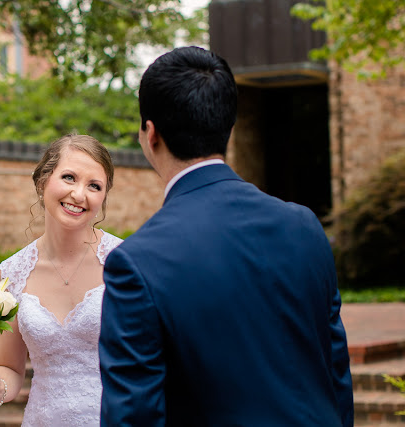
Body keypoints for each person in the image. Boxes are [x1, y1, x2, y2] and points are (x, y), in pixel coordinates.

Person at [98, 46, 354, 426]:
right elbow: (336, 376)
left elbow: (133, 417)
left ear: (150, 134)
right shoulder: (304, 227)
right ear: (229, 130)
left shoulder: (137, 263)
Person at [0, 134, 123, 426]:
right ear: (42, 182)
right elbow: (9, 368)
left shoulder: (125, 263)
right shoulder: (11, 274)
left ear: (103, 197)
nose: (79, 194)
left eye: (94, 186)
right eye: (69, 177)